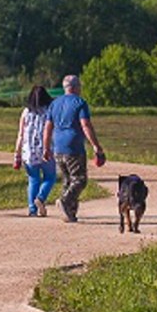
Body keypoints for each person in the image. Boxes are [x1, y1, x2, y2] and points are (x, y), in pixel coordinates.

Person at [42, 74, 105, 223]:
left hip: (58, 146)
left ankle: (70, 213)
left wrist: (46, 147)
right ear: (76, 87)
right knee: (80, 180)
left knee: (67, 180)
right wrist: (96, 145)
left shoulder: (55, 103)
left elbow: (47, 127)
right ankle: (65, 200)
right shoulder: (80, 103)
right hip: (74, 146)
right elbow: (85, 125)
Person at [14, 85, 57, 217]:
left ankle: (32, 209)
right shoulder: (50, 110)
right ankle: (41, 197)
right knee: (50, 177)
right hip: (46, 149)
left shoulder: (26, 112)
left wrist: (17, 154)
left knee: (33, 180)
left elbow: (21, 134)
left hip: (29, 152)